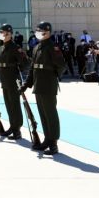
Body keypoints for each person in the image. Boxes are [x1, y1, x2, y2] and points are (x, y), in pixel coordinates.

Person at [20, 22, 66, 155]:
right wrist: (26, 84)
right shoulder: (36, 47)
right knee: (43, 115)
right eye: (37, 30)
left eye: (41, 31)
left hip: (48, 84)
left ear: (48, 32)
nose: (38, 32)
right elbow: (32, 69)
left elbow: (61, 66)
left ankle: (53, 143)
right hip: (38, 85)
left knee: (51, 114)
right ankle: (47, 139)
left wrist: (53, 76)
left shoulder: (53, 47)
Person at [0, 24, 29, 140]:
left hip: (13, 79)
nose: (2, 35)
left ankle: (17, 129)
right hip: (5, 80)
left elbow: (25, 62)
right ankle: (12, 126)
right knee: (8, 105)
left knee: (15, 105)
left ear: (10, 34)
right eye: (1, 32)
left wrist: (17, 69)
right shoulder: (1, 47)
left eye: (4, 33)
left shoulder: (15, 47)